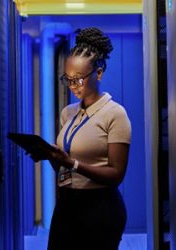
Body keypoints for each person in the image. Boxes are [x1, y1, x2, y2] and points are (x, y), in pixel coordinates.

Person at [45, 27, 131, 250]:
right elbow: (65, 169)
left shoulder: (115, 114)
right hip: (66, 204)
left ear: (99, 73)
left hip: (100, 208)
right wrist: (55, 159)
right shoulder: (68, 113)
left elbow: (116, 174)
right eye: (68, 79)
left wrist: (72, 163)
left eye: (79, 79)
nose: (73, 86)